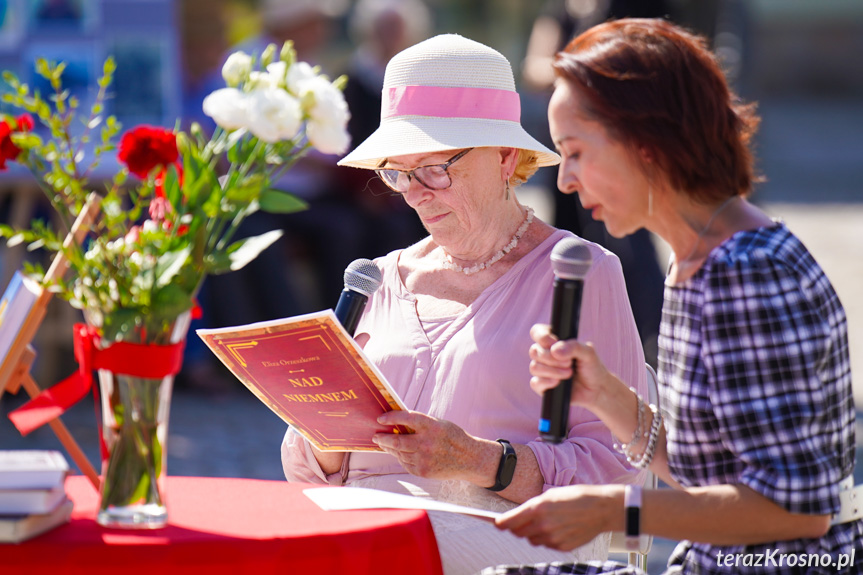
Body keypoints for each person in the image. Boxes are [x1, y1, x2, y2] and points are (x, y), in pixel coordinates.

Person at [488, 18, 862, 575]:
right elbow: (711, 471)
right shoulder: (699, 261)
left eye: (574, 151)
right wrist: (604, 394)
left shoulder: (747, 273)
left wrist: (612, 509)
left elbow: (796, 511)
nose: (563, 180)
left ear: (647, 144)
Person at [281, 34, 648, 575]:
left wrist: (479, 461)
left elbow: (616, 471)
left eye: (434, 167)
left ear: (505, 157)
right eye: (398, 172)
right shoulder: (376, 278)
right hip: (363, 524)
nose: (413, 192)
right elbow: (306, 472)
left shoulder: (577, 273)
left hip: (504, 531)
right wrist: (330, 426)